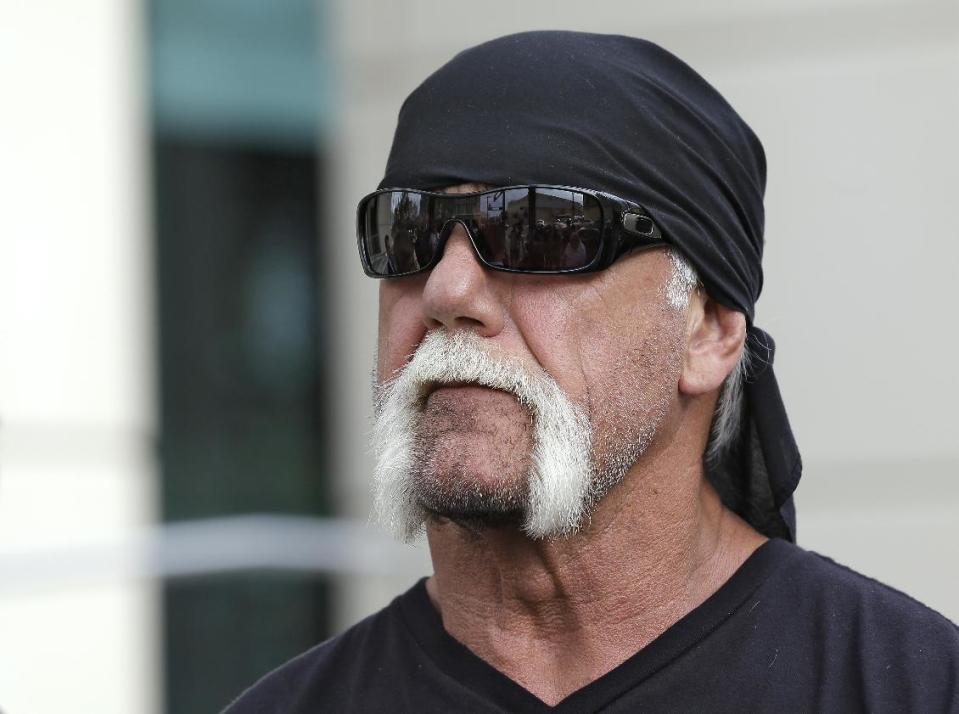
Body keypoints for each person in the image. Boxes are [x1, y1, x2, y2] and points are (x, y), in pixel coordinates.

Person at [224, 31, 959, 713]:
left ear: (706, 332)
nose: (447, 293)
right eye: (406, 234)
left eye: (539, 231)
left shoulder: (909, 686)